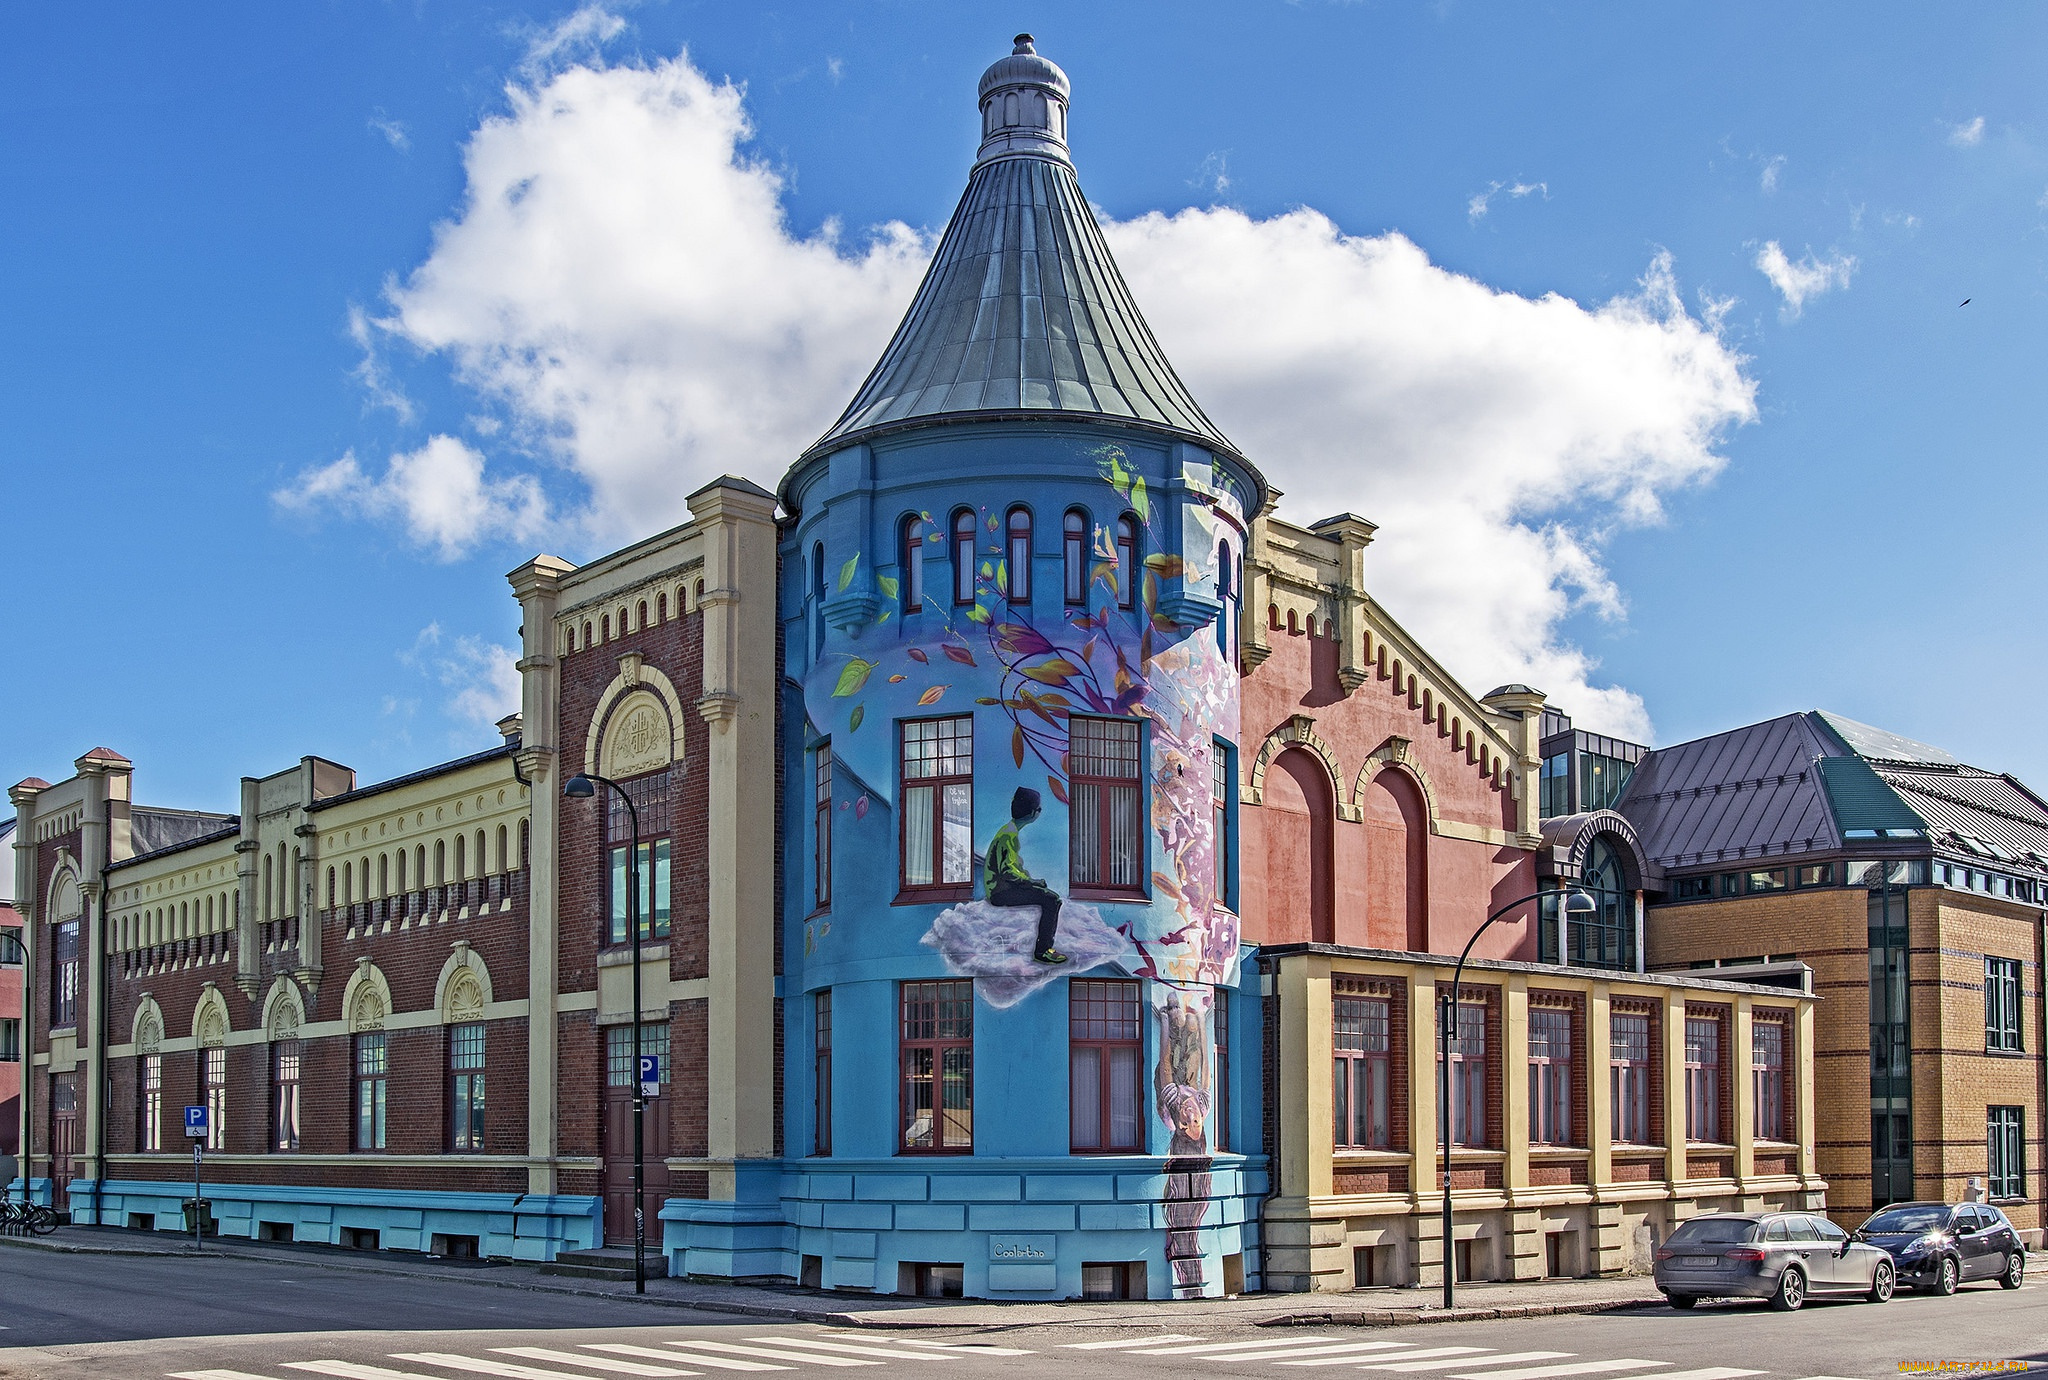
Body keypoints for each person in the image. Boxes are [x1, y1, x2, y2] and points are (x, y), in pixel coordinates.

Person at [986, 786, 1066, 964]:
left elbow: (1012, 867)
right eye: (1038, 809)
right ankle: (1043, 950)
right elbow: (1008, 872)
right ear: (1032, 813)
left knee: (1045, 893)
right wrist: (1032, 882)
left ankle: (1044, 949)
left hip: (1001, 886)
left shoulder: (1008, 830)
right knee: (1053, 900)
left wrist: (1031, 882)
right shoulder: (1009, 836)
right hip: (1000, 891)